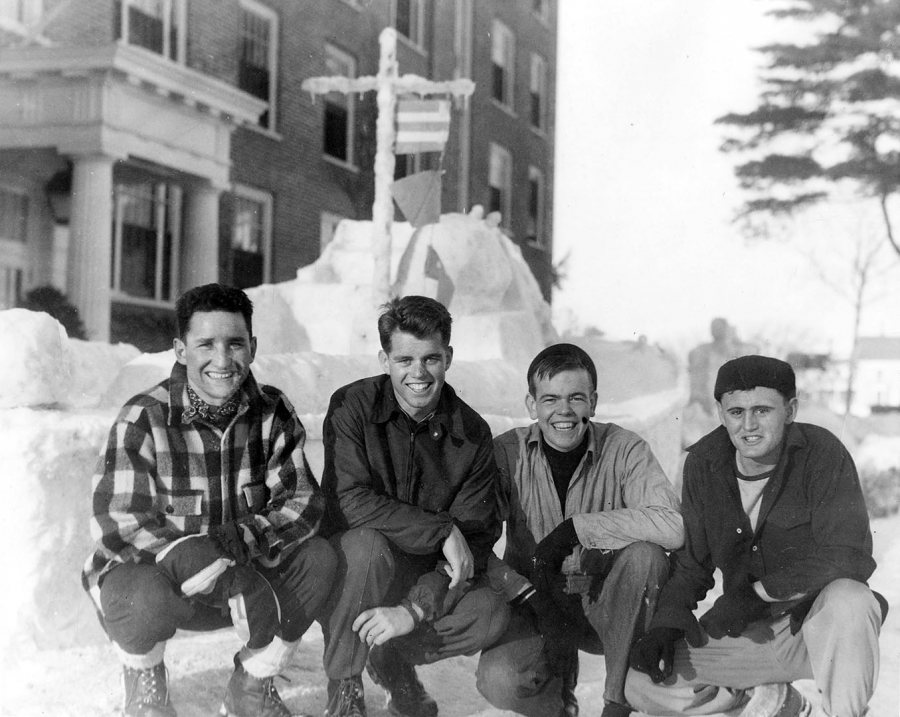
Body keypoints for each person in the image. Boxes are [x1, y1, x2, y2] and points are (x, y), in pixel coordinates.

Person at [82, 283, 337, 717]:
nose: (222, 360)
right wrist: (204, 560)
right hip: (168, 588)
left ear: (253, 347)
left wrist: (241, 541)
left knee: (320, 558)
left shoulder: (273, 412)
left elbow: (302, 502)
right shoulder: (143, 417)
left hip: (247, 590)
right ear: (181, 349)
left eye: (235, 343)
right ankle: (146, 681)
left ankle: (253, 685)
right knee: (133, 593)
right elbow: (118, 525)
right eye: (206, 344)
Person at [626, 355, 886, 717]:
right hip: (750, 631)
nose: (748, 425)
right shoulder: (703, 464)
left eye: (762, 410)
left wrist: (758, 593)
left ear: (790, 410)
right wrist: (666, 624)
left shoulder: (822, 453)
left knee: (852, 599)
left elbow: (848, 554)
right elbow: (691, 565)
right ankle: (772, 705)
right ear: (720, 412)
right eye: (736, 412)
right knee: (639, 684)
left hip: (815, 627)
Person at [319, 295, 509, 717]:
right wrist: (441, 530)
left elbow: (474, 537)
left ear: (449, 358)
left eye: (431, 359)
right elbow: (350, 500)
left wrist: (415, 607)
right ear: (384, 358)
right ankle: (345, 684)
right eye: (404, 359)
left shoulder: (472, 431)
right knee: (367, 547)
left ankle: (392, 661)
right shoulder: (352, 406)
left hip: (421, 576)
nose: (418, 373)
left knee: (488, 612)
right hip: (356, 570)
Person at [475, 343, 684, 717]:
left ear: (594, 402)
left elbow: (672, 525)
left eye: (576, 398)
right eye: (550, 399)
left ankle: (617, 704)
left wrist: (577, 529)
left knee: (646, 557)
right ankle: (559, 703)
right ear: (531, 405)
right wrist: (520, 590)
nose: (564, 411)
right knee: (500, 679)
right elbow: (475, 540)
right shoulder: (507, 453)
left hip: (605, 601)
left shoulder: (624, 448)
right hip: (536, 601)